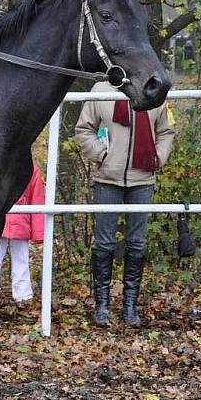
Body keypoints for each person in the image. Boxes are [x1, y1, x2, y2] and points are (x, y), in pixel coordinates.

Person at [75, 82, 176, 328]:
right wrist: (102, 154)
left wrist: (159, 157)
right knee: (105, 242)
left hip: (143, 177)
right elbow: (84, 129)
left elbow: (166, 131)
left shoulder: (154, 88)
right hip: (107, 177)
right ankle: (102, 305)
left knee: (137, 242)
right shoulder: (100, 90)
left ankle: (130, 306)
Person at [0, 161, 45, 303]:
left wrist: (39, 231)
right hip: (0, 220)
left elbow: (37, 199)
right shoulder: (0, 163)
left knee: (19, 259)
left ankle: (21, 294)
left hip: (16, 221)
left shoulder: (30, 167)